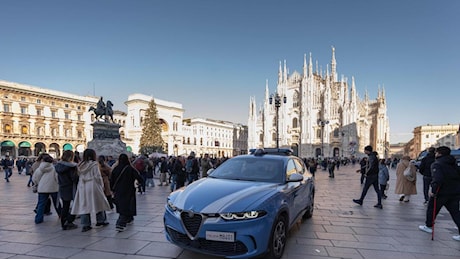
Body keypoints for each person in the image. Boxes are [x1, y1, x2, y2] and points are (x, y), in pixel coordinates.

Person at [419, 146, 460, 241]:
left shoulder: (437, 164)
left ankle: (428, 226)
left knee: (432, 209)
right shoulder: (454, 164)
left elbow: (438, 179)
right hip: (454, 192)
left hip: (440, 192)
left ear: (439, 153)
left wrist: (433, 190)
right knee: (456, 213)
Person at [71, 149, 111, 232]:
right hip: (93, 184)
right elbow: (97, 176)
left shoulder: (80, 165)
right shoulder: (94, 164)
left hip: (83, 185)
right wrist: (101, 185)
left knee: (84, 204)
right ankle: (100, 221)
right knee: (98, 203)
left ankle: (85, 224)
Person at [110, 153, 144, 232]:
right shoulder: (130, 168)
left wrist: (112, 189)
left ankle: (129, 218)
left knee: (122, 205)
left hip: (118, 191)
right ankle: (120, 223)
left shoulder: (116, 168)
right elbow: (139, 177)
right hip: (128, 190)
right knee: (127, 206)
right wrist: (139, 183)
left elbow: (111, 180)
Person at [32, 154, 61, 224]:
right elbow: (57, 178)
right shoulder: (54, 168)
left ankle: (38, 219)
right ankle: (61, 215)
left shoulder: (39, 169)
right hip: (53, 187)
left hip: (42, 188)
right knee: (56, 203)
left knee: (41, 204)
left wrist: (40, 183)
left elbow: (34, 179)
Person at [55, 150, 79, 230]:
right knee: (75, 205)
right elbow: (74, 178)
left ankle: (64, 222)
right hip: (71, 188)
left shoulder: (58, 166)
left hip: (62, 187)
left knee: (65, 205)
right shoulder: (71, 167)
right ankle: (69, 221)